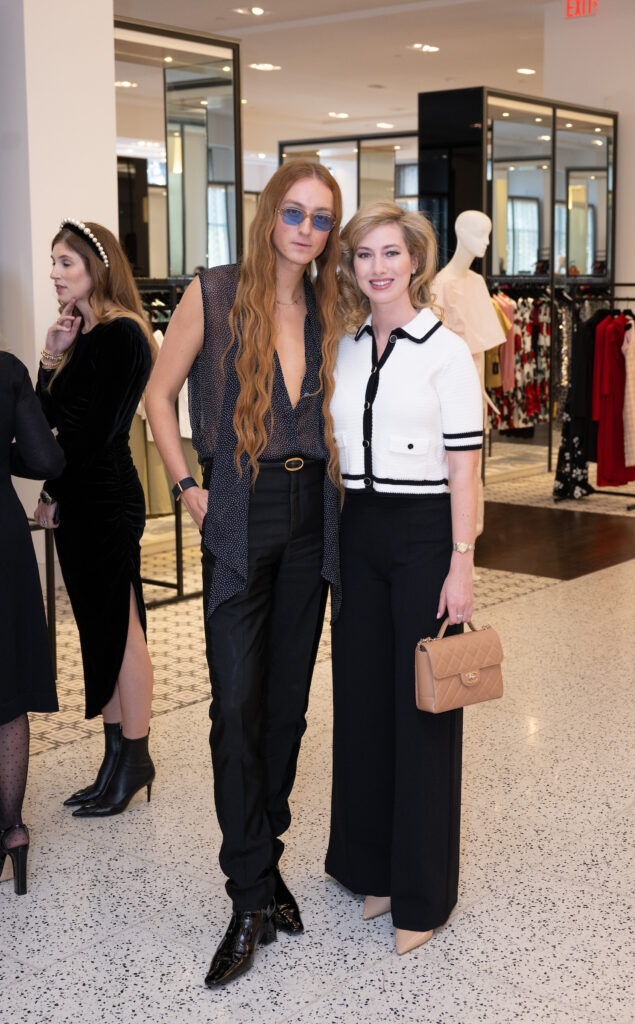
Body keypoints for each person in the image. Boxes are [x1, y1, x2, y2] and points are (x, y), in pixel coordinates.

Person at [145, 159, 343, 987]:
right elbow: (158, 396)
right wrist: (185, 487)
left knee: (286, 710)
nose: (305, 229)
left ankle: (265, 866)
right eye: (293, 212)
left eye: (321, 218)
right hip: (237, 504)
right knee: (234, 706)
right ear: (269, 214)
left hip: (312, 516)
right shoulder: (216, 291)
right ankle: (247, 895)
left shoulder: (333, 305)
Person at [325, 201, 482, 955]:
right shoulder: (346, 347)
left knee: (422, 708)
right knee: (361, 704)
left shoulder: (446, 350)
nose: (378, 267)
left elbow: (464, 467)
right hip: (357, 529)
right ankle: (373, 871)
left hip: (424, 534)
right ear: (351, 266)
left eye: (391, 252)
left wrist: (462, 560)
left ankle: (422, 892)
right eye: (364, 255)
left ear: (414, 261)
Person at [35, 219, 156, 817]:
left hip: (105, 498)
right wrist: (51, 356)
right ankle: (113, 760)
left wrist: (52, 488)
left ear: (97, 267)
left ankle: (135, 759)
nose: (54, 273)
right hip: (82, 496)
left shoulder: (122, 334)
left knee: (122, 629)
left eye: (66, 262)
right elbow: (42, 421)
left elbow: (91, 433)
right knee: (98, 631)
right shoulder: (81, 333)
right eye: (53, 262)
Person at [0, 350, 65, 894]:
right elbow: (47, 458)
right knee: (9, 687)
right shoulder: (6, 370)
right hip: (3, 544)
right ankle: (13, 831)